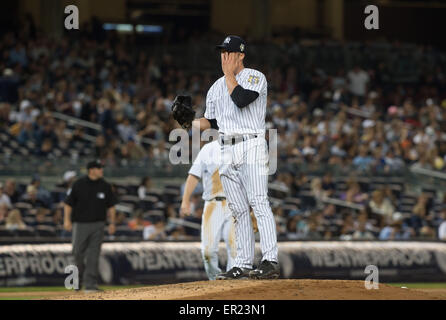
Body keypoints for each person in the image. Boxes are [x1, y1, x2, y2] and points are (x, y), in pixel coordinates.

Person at [190, 35, 279, 279]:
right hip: (226, 147)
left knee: (259, 202)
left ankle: (270, 259)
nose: (224, 57)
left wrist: (230, 75)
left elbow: (241, 100)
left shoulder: (254, 76)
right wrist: (189, 120)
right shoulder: (216, 87)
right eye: (222, 53)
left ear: (241, 55)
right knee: (238, 209)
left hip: (251, 143)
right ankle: (243, 263)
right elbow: (213, 122)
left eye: (229, 53)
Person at [180, 140, 237, 280]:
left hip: (236, 203)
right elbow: (194, 175)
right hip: (212, 204)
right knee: (208, 251)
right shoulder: (209, 148)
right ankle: (215, 281)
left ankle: (235, 283)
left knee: (235, 247)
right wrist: (185, 200)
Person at [63, 160, 118, 292]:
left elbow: (111, 206)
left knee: (94, 255)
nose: (101, 171)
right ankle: (77, 281)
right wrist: (66, 220)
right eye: (99, 168)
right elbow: (68, 203)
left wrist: (112, 223)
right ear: (91, 170)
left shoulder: (105, 185)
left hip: (98, 224)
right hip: (80, 224)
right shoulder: (79, 184)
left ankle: (90, 285)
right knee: (77, 253)